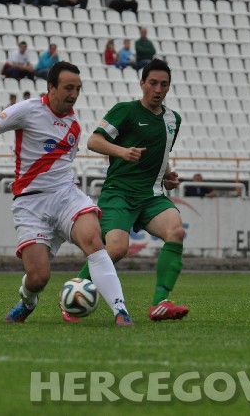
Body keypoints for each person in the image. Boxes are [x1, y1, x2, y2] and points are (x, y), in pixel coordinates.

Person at [0, 61, 133, 326]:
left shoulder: (73, 126)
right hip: (30, 203)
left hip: (65, 196)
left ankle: (121, 311)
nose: (73, 94)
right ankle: (27, 301)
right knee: (38, 277)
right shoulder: (28, 110)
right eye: (68, 88)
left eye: (78, 89)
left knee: (94, 241)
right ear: (51, 87)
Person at [67, 59, 184, 323]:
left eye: (164, 84)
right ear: (142, 83)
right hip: (119, 193)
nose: (158, 89)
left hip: (151, 195)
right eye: (152, 83)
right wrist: (122, 152)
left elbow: (161, 153)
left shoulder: (172, 120)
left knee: (176, 231)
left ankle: (160, 303)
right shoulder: (125, 111)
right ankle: (75, 291)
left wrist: (167, 175)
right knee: (117, 249)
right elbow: (94, 141)